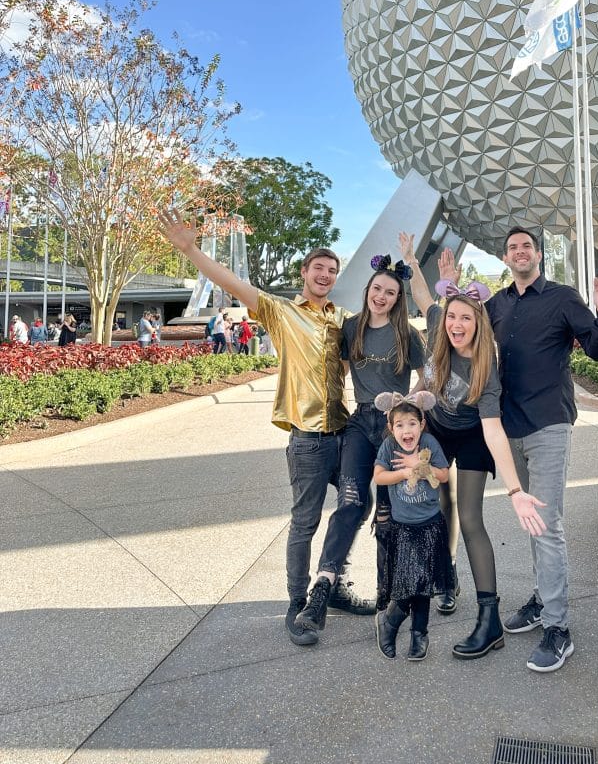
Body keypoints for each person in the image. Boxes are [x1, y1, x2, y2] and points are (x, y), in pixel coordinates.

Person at [158, 208, 367, 647]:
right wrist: (192, 250)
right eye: (318, 269)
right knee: (306, 521)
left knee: (356, 505)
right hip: (308, 440)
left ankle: (332, 584)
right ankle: (297, 602)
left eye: (332, 270)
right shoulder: (281, 312)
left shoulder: (342, 319)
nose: (325, 275)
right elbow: (231, 283)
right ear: (304, 272)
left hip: (344, 434)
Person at [480, 226, 598, 673]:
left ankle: (558, 627)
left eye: (527, 246)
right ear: (505, 258)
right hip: (510, 428)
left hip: (549, 424)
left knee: (546, 523)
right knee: (531, 521)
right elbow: (465, 342)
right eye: (513, 247)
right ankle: (543, 597)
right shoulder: (496, 305)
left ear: (539, 255)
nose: (520, 252)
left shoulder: (563, 297)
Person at [400, 232, 546, 661]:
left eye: (466, 319)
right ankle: (446, 581)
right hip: (440, 431)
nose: (457, 325)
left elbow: (495, 431)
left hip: (475, 436)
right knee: (436, 506)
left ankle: (489, 621)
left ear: (478, 323)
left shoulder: (485, 367)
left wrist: (516, 490)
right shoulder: (435, 336)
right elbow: (425, 294)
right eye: (452, 318)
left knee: (470, 519)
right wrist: (411, 259)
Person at [293, 254, 425, 639]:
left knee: (393, 510)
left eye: (391, 293)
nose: (381, 297)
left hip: (393, 430)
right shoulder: (351, 328)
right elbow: (335, 371)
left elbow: (429, 374)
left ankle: (394, 594)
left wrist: (407, 408)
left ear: (399, 299)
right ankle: (323, 588)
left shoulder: (407, 335)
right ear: (369, 290)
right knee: (350, 503)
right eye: (378, 289)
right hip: (358, 425)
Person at [373, 391, 450, 661]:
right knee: (410, 582)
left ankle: (419, 633)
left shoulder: (429, 443)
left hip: (430, 525)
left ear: (422, 424)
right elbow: (379, 477)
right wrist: (405, 473)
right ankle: (391, 620)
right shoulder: (388, 447)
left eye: (412, 424)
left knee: (424, 582)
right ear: (391, 428)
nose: (407, 430)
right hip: (402, 528)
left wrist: (421, 465)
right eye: (400, 425)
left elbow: (443, 475)